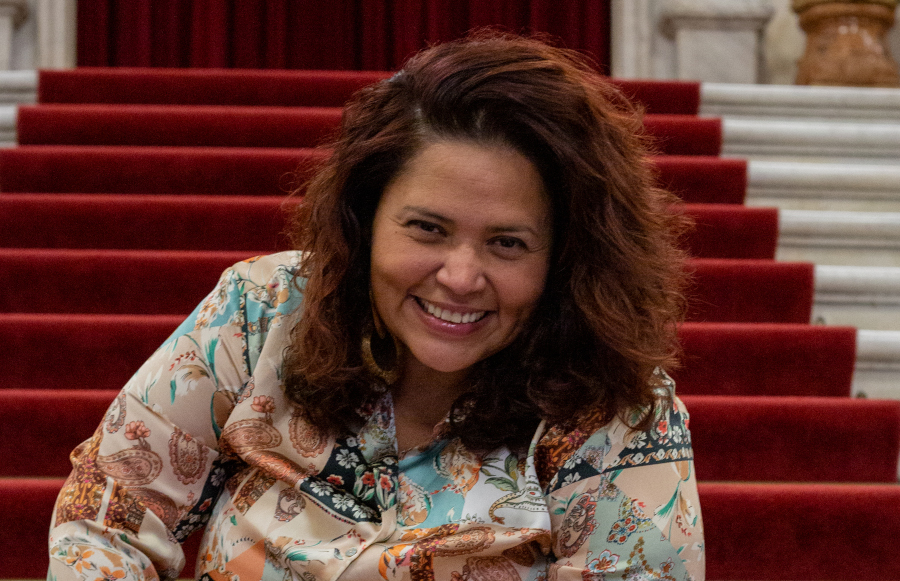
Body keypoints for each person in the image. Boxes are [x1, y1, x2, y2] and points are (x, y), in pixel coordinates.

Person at [49, 34, 704, 581]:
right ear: (365, 222)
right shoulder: (260, 311)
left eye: (507, 243)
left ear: (563, 257)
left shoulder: (615, 406)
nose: (460, 276)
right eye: (427, 228)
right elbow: (107, 510)